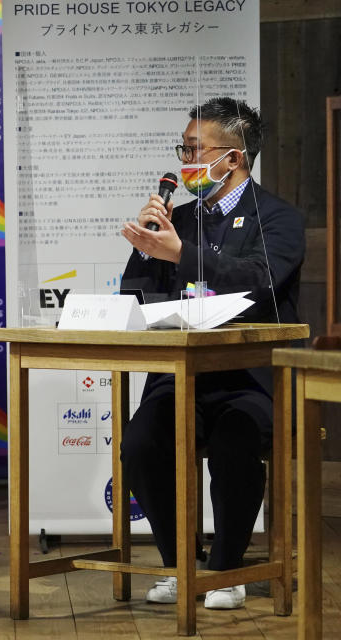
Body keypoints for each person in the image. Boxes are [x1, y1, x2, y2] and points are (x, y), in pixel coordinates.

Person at [118, 97, 305, 610]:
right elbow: (133, 298)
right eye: (184, 149)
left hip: (251, 379)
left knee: (235, 439)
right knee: (140, 443)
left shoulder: (278, 220)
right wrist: (145, 245)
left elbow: (257, 284)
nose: (186, 161)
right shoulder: (177, 218)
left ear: (234, 157)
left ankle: (226, 570)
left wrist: (181, 254)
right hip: (182, 376)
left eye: (195, 149)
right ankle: (180, 565)